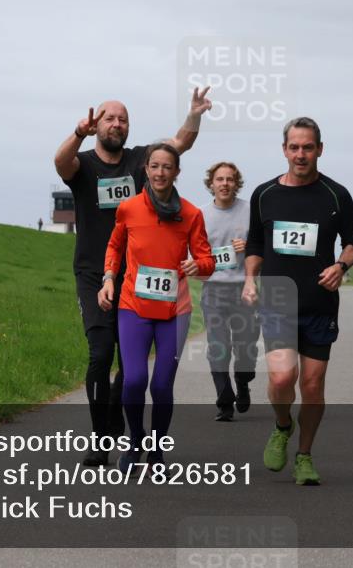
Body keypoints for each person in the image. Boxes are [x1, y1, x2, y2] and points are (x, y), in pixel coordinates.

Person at [53, 89, 212, 467]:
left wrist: (194, 114)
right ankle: (100, 438)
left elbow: (179, 144)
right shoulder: (84, 163)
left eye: (122, 119)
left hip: (140, 274)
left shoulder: (140, 159)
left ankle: (120, 419)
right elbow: (60, 163)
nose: (116, 124)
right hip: (95, 273)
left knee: (131, 366)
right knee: (99, 353)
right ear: (97, 126)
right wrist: (77, 133)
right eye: (109, 118)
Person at [242, 117, 353, 485]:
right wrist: (250, 280)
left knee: (311, 386)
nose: (301, 154)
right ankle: (282, 425)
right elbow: (255, 244)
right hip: (277, 301)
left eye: (308, 147)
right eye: (294, 147)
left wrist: (341, 266)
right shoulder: (264, 195)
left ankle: (305, 456)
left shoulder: (336, 195)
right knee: (282, 378)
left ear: (319, 149)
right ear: (284, 150)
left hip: (319, 304)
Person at [98, 143, 215, 471]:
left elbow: (207, 260)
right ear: (146, 170)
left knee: (162, 384)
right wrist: (108, 279)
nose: (160, 173)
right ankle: (136, 440)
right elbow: (115, 246)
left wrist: (198, 265)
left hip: (174, 312)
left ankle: (158, 451)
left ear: (176, 172)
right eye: (155, 166)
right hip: (132, 306)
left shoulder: (191, 214)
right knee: (134, 380)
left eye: (167, 167)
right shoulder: (129, 208)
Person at [199, 162, 258, 422]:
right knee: (218, 347)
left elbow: (262, 246)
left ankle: (243, 381)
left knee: (245, 347)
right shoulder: (200, 215)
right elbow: (195, 254)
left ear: (236, 184)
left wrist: (249, 245)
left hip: (245, 288)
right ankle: (224, 401)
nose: (225, 184)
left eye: (230, 179)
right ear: (211, 184)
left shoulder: (250, 211)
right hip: (213, 289)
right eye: (220, 179)